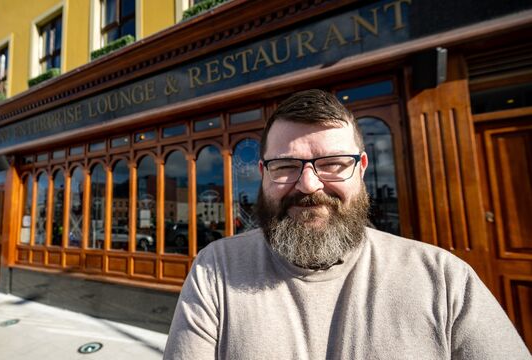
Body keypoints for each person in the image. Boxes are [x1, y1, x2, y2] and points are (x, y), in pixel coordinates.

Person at [163, 89, 531, 359]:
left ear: (362, 168)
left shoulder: (444, 278)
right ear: (263, 173)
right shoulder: (216, 269)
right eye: (286, 166)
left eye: (333, 163)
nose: (309, 185)